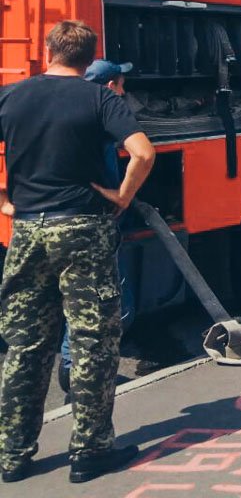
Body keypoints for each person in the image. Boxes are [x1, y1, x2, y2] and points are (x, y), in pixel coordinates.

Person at [0, 20, 155, 484]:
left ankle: (13, 455)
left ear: (48, 50)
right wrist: (123, 197)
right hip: (83, 230)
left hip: (27, 231)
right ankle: (89, 452)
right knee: (92, 342)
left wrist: (4, 201)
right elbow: (143, 153)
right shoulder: (100, 98)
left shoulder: (12, 95)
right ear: (90, 59)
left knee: (25, 345)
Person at [58, 60, 138, 401]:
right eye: (120, 84)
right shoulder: (103, 117)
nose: (123, 91)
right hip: (93, 223)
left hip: (51, 220)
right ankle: (80, 376)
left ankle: (69, 366)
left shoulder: (66, 114)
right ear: (108, 86)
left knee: (66, 298)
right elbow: (143, 154)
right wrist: (121, 196)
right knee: (102, 303)